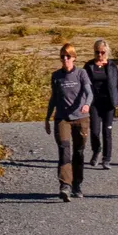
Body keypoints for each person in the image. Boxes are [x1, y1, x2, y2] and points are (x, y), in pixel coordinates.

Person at [44, 42, 94, 201]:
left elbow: (89, 92)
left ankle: (77, 184)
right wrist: (47, 117)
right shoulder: (56, 76)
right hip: (62, 118)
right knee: (64, 149)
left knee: (79, 152)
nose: (65, 59)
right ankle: (65, 185)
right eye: (62, 57)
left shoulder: (81, 73)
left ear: (74, 58)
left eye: (68, 56)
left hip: (80, 117)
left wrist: (86, 104)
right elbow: (54, 97)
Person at [85, 40, 118, 169]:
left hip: (109, 103)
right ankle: (96, 151)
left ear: (106, 52)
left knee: (107, 132)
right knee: (95, 131)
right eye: (97, 52)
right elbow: (83, 85)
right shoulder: (89, 66)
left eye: (102, 52)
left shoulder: (112, 66)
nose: (100, 55)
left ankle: (106, 159)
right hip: (94, 103)